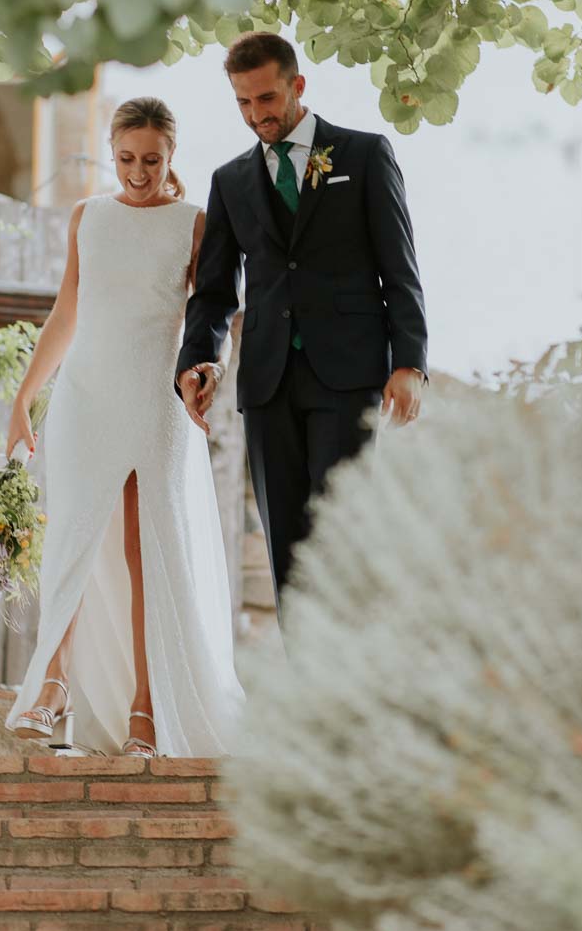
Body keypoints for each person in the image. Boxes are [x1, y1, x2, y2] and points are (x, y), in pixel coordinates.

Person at [4, 98, 244, 757]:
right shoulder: (88, 216)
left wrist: (206, 372)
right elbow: (66, 311)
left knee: (145, 550)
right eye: (126, 160)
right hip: (84, 394)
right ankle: (52, 685)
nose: (138, 173)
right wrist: (26, 395)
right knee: (76, 535)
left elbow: (214, 317)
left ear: (171, 156)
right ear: (112, 154)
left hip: (152, 396)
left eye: (152, 160)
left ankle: (146, 708)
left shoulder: (194, 224)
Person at [177, 32, 428, 600]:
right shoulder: (230, 181)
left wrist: (410, 361)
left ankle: (353, 681)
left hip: (349, 373)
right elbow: (215, 291)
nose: (255, 115)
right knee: (286, 549)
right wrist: (197, 358)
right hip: (268, 385)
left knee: (343, 536)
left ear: (297, 85)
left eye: (266, 99)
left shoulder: (364, 155)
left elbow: (400, 266)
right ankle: (303, 687)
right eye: (243, 102)